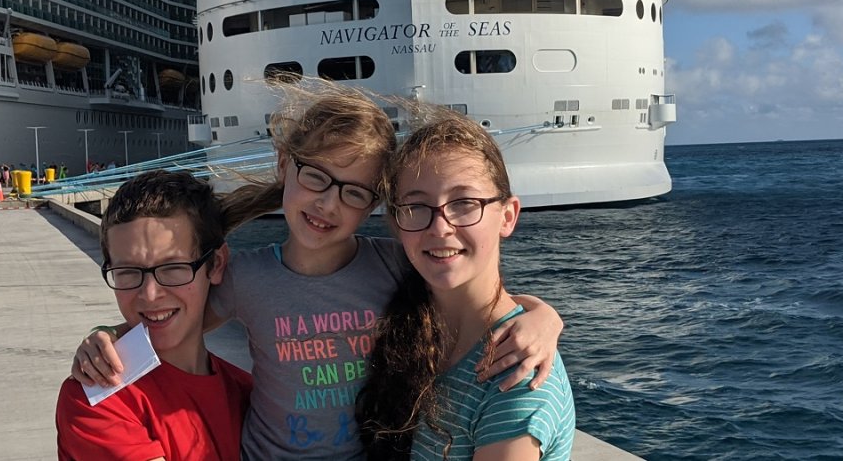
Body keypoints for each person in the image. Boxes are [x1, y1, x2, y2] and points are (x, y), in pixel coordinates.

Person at [72, 82, 565, 459]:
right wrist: (106, 335)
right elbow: (169, 322)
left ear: (374, 205)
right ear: (286, 165)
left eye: (354, 192)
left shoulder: (391, 263)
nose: (328, 204)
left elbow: (469, 291)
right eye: (316, 178)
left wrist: (544, 316)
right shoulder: (246, 277)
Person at [358, 108, 576, 461]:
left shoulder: (517, 376)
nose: (440, 227)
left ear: (507, 216)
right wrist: (542, 311)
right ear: (397, 224)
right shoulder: (414, 325)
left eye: (463, 203)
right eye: (416, 206)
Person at [56, 170, 252, 461]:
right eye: (127, 272)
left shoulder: (249, 395)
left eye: (173, 267)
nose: (149, 294)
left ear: (216, 264)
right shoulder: (97, 395)